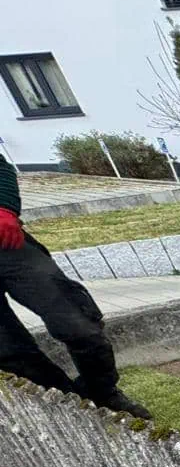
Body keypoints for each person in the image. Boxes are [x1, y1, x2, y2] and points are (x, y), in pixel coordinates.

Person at [0, 152, 151, 418]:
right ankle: (70, 408)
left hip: (5, 244)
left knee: (78, 324)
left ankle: (103, 394)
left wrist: (4, 208)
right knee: (12, 353)